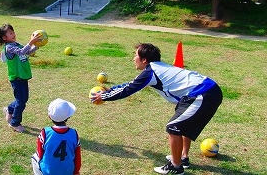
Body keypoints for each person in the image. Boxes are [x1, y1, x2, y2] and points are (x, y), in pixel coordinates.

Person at [91, 43, 223, 175]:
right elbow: (131, 85)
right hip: (206, 91)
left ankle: (175, 167)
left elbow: (128, 90)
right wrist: (112, 90)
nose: (133, 59)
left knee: (174, 127)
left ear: (144, 60)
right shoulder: (157, 68)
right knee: (181, 125)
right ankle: (183, 158)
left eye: (135, 55)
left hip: (202, 93)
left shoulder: (151, 71)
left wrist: (104, 96)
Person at [0, 24, 41, 133]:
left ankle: (9, 109)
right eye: (10, 33)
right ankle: (14, 123)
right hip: (16, 77)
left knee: (24, 99)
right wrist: (31, 42)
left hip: (23, 76)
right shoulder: (9, 47)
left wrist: (38, 45)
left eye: (13, 32)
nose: (13, 34)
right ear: (4, 38)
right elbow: (21, 52)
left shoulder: (16, 44)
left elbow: (27, 52)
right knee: (21, 102)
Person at [31, 98, 81, 175]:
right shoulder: (74, 133)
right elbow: (77, 157)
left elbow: (40, 154)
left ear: (49, 117)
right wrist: (76, 172)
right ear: (69, 117)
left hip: (48, 172)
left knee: (34, 157)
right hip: (68, 171)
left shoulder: (45, 133)